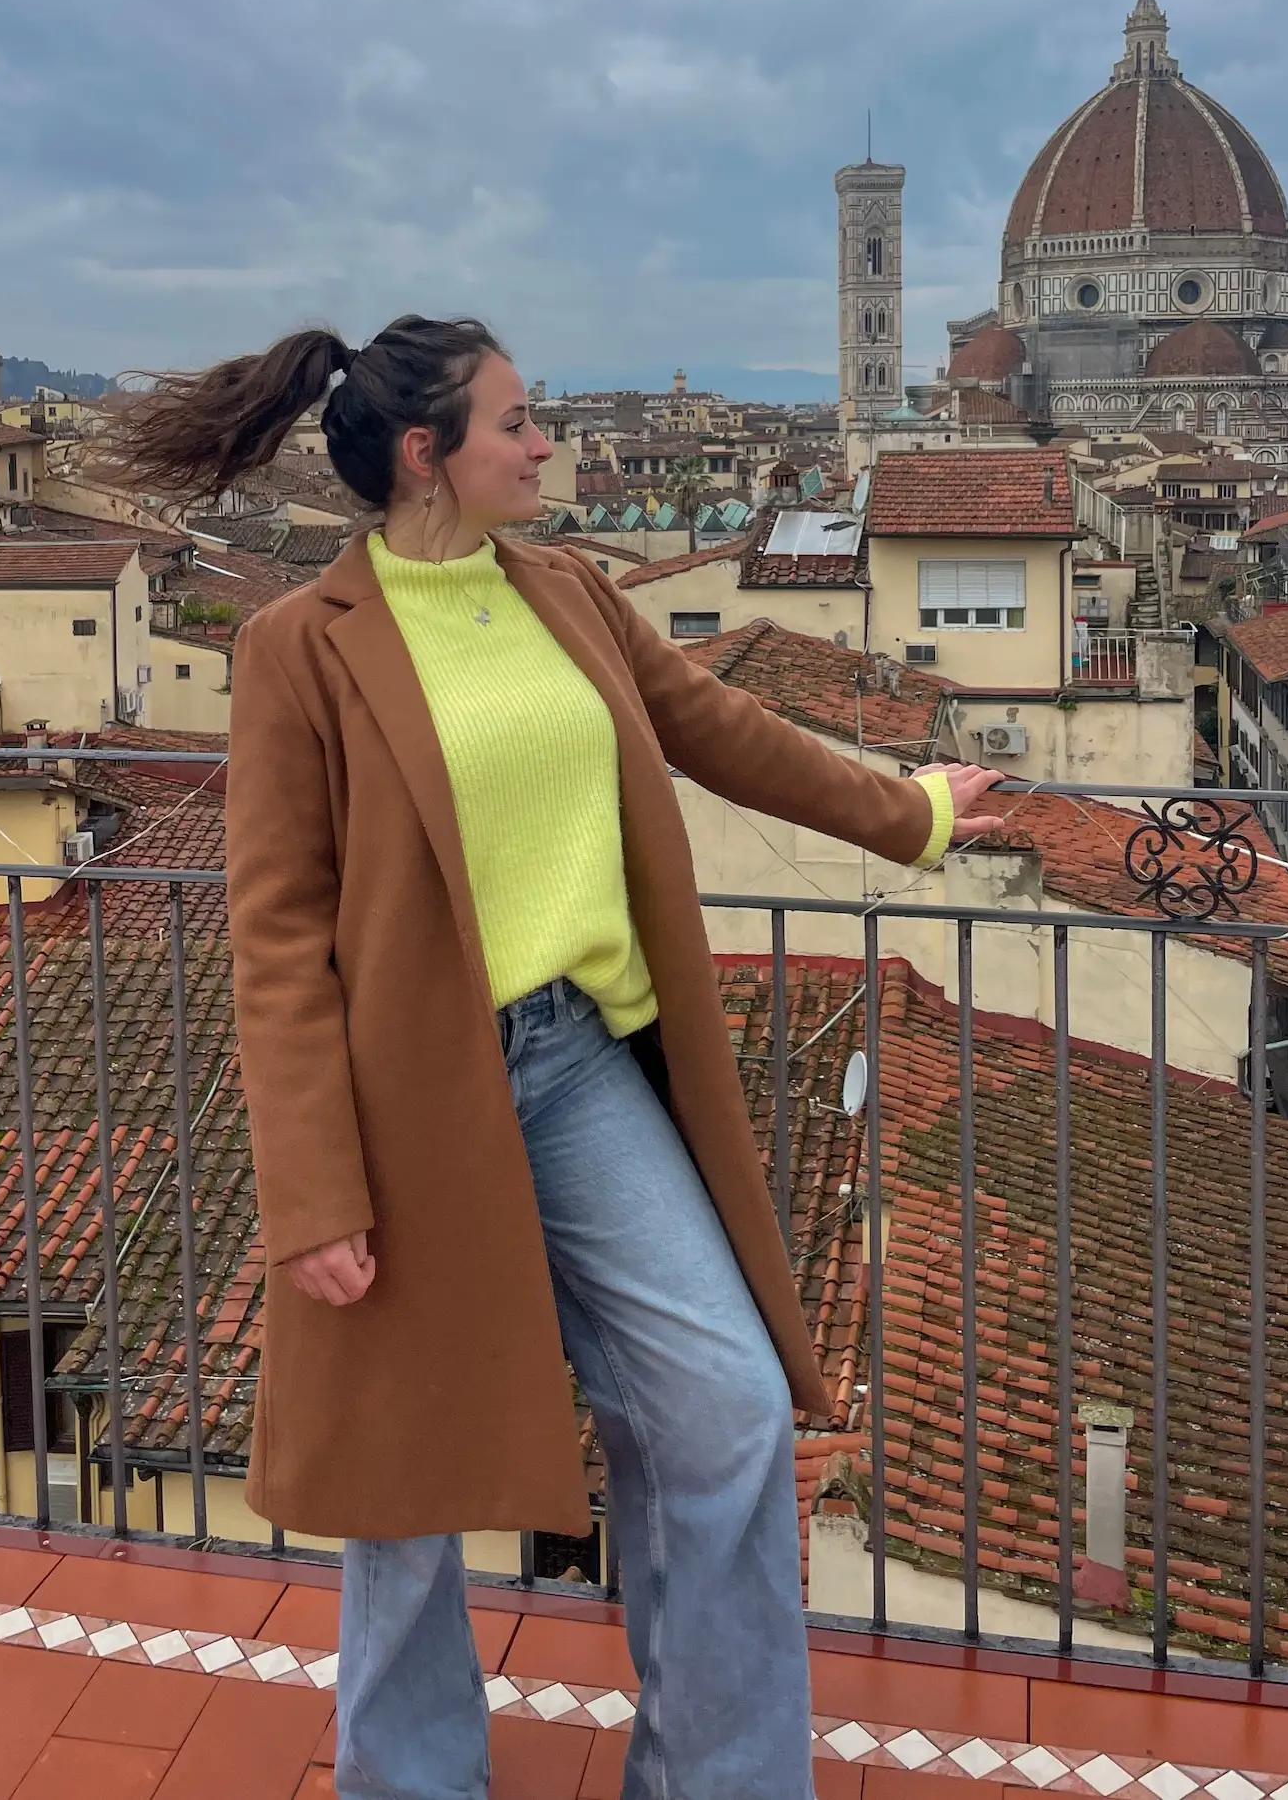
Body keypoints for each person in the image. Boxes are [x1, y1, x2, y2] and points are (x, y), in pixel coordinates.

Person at [118, 315, 1006, 1800]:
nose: (545, 447)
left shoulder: (567, 592)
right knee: (403, 1475)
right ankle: (408, 1782)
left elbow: (717, 728)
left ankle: (714, 1779)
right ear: (427, 455)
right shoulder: (300, 647)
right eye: (518, 424)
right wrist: (312, 1190)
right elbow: (275, 935)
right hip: (408, 1099)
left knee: (720, 1408)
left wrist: (901, 815)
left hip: (581, 1062)